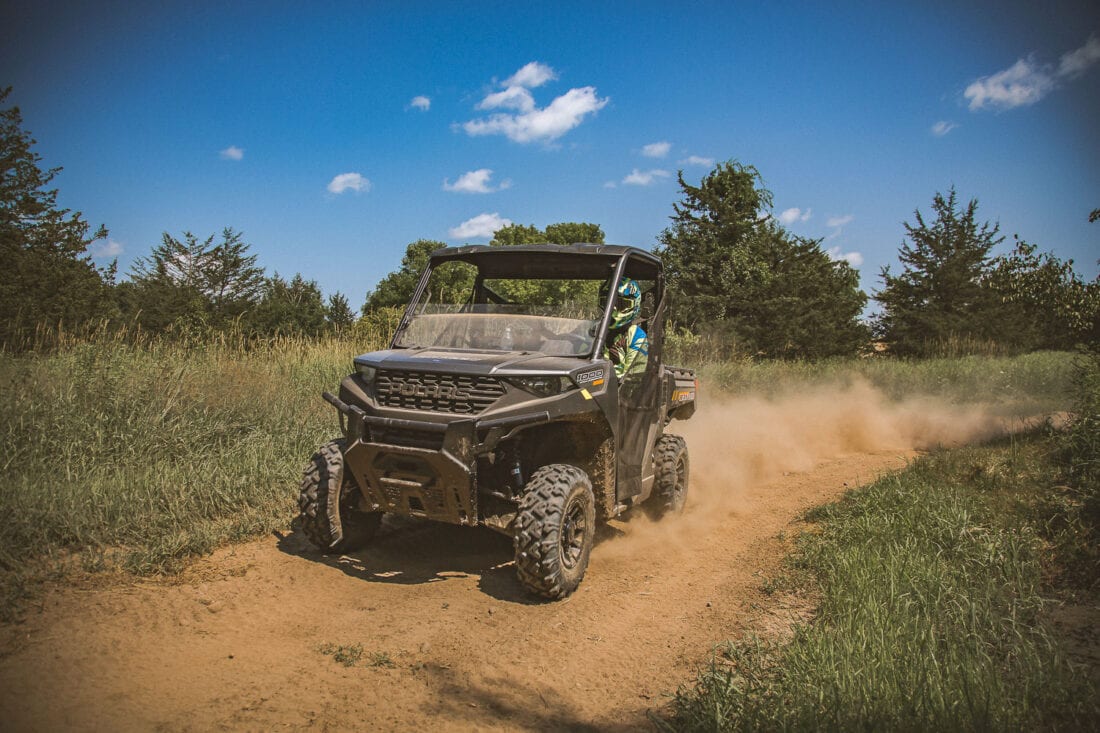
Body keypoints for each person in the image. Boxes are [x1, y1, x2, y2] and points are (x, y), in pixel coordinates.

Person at [603, 278, 648, 380]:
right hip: (588, 385)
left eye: (621, 304)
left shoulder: (636, 335)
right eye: (608, 303)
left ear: (634, 304)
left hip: (618, 389)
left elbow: (634, 377)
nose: (613, 309)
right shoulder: (593, 329)